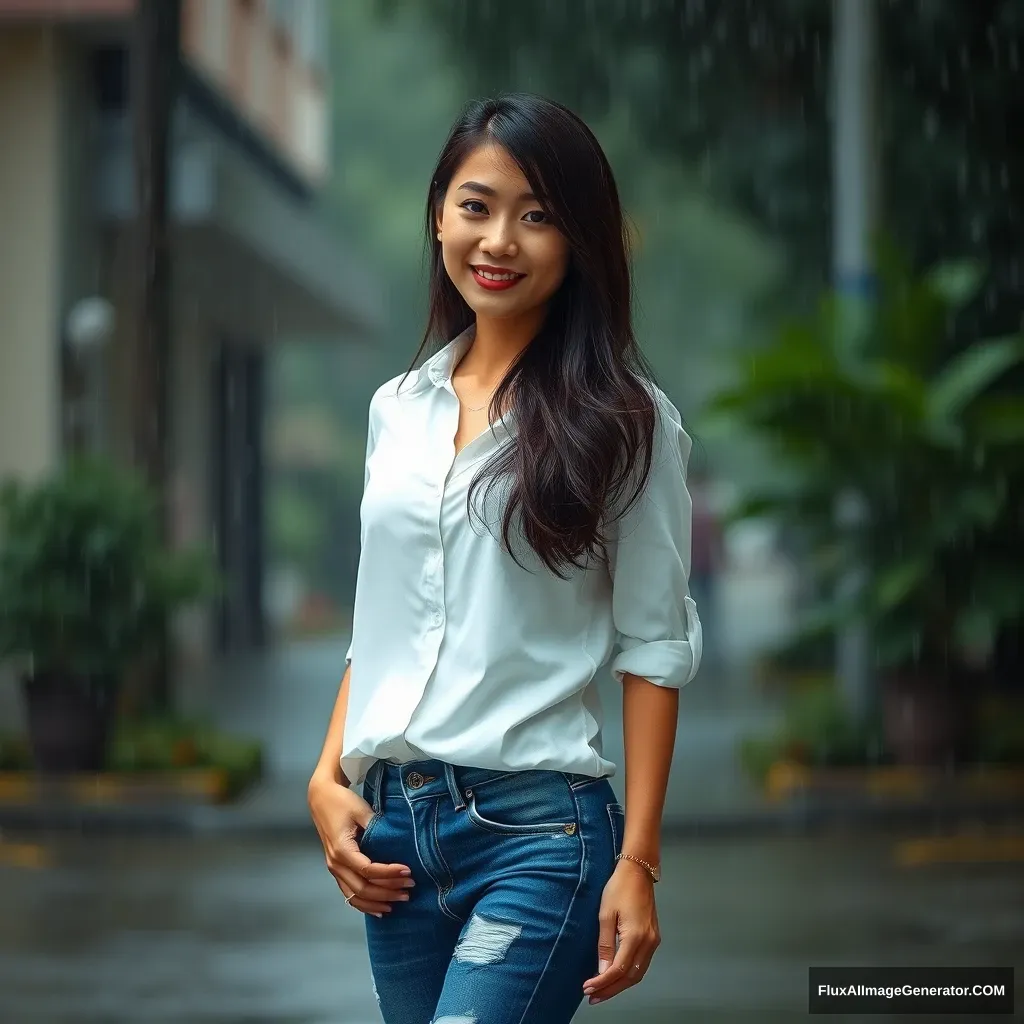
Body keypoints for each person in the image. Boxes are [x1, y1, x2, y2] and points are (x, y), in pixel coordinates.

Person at [307, 93, 703, 1024]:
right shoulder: (396, 408)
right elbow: (382, 626)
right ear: (439, 214)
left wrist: (638, 862)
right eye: (476, 206)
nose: (499, 241)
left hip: (542, 832)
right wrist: (327, 781)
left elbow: (654, 650)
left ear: (579, 242)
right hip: (396, 836)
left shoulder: (629, 425)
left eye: (538, 216)